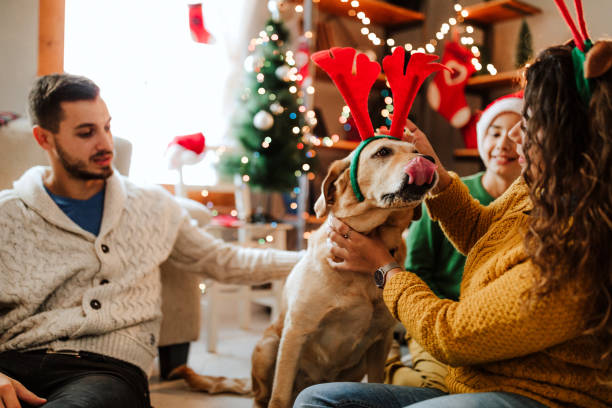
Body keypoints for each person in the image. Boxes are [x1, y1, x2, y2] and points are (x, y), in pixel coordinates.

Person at [295, 39, 612, 408]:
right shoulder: (537, 188)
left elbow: (451, 334)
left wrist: (384, 268)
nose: (512, 137)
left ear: (569, 135)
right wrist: (439, 179)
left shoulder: (579, 247)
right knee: (316, 400)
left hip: (538, 398)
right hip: (472, 384)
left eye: (528, 124)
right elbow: (484, 233)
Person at [0, 73, 302, 408]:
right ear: (44, 139)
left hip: (104, 369)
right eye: (86, 133)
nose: (105, 144)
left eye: (107, 127)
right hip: (12, 361)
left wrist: (313, 258)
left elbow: (224, 261)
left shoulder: (153, 206)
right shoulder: (7, 214)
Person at [386, 93, 523, 391]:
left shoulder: (529, 204)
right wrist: (443, 317)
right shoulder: (446, 190)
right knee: (433, 387)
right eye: (495, 133)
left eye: (517, 133)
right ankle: (390, 361)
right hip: (439, 317)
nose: (504, 143)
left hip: (486, 327)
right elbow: (419, 270)